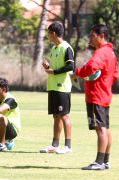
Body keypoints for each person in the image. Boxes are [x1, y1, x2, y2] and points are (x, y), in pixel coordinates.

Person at [73, 24, 118, 170]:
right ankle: (105, 161)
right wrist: (105, 83)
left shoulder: (101, 52)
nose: (90, 38)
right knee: (105, 128)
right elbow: (115, 74)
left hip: (96, 96)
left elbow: (91, 67)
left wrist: (77, 73)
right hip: (104, 95)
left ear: (101, 36)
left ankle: (99, 162)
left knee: (100, 129)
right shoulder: (110, 52)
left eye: (92, 35)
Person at [39, 21, 74, 154]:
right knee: (56, 116)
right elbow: (54, 69)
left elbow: (70, 67)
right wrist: (47, 67)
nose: (48, 36)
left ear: (53, 33)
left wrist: (53, 72)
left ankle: (68, 146)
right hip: (52, 86)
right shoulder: (54, 49)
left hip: (63, 87)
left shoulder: (67, 48)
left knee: (64, 116)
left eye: (48, 33)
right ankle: (54, 145)